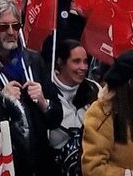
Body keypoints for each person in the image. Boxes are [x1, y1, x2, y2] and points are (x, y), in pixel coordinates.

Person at [0, 0, 62, 176]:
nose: (11, 32)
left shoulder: (32, 60)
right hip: (2, 165)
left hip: (39, 163)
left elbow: (56, 117)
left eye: (16, 26)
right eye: (3, 27)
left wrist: (43, 102)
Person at [48, 39, 98, 175]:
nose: (83, 67)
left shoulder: (94, 90)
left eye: (86, 61)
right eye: (76, 61)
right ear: (60, 62)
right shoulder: (45, 92)